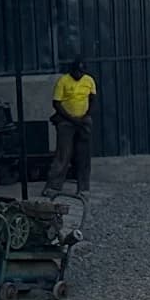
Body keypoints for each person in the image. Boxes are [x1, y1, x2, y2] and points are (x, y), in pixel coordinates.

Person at [43, 58, 96, 198]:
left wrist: (86, 116)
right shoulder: (63, 81)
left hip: (83, 120)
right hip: (66, 121)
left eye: (81, 71)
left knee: (84, 155)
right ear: (71, 70)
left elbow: (92, 99)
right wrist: (72, 119)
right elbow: (57, 103)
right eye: (76, 71)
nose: (79, 74)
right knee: (63, 154)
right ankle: (53, 187)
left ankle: (83, 188)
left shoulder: (89, 81)